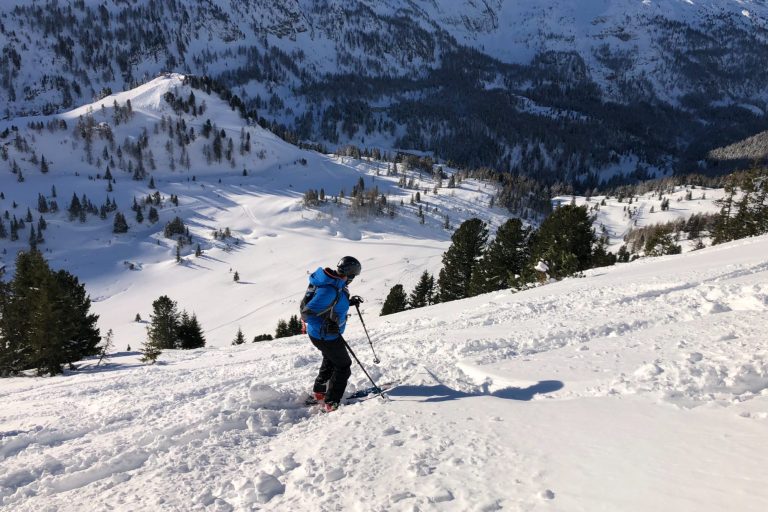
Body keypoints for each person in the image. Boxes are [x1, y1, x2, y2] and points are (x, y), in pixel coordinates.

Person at [300, 256, 363, 412]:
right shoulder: (329, 289)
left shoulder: (334, 283)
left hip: (322, 335)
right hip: (326, 335)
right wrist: (327, 325)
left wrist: (348, 302)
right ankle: (332, 402)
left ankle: (319, 392)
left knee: (330, 358)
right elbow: (307, 314)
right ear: (349, 274)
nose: (353, 279)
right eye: (353, 276)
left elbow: (331, 304)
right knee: (344, 366)